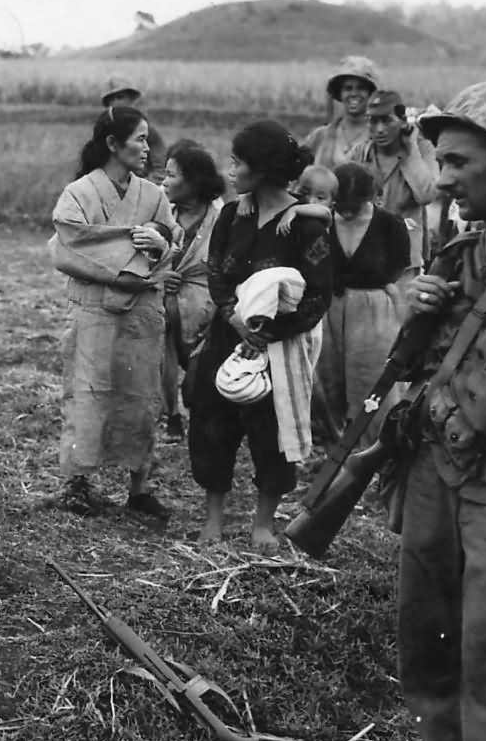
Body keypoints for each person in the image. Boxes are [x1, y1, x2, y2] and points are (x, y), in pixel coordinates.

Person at [396, 81, 486, 741]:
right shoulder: (458, 252)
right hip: (440, 463)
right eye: (440, 160)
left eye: (459, 161)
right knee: (427, 632)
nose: (444, 178)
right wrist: (420, 310)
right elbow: (414, 368)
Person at [186, 121, 333, 549]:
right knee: (212, 424)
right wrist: (234, 318)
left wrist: (269, 333)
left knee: (271, 432)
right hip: (227, 336)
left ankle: (262, 523)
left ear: (263, 169)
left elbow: (319, 293)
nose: (229, 170)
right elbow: (215, 270)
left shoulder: (306, 223)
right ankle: (213, 518)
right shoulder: (233, 214)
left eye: (238, 162)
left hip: (279, 346)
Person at [49, 106, 177, 519]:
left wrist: (159, 248)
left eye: (146, 138)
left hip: (142, 312)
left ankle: (139, 487)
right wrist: (126, 256)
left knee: (141, 398)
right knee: (87, 393)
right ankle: (77, 484)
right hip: (94, 310)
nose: (146, 147)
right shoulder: (79, 194)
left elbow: (172, 247)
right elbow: (69, 247)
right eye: (139, 138)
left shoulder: (154, 195)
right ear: (112, 144)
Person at [314, 163, 411, 448]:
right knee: (328, 382)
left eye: (353, 205)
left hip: (374, 310)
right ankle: (334, 448)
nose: (346, 211)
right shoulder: (321, 222)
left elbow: (401, 268)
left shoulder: (389, 224)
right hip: (329, 309)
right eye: (340, 204)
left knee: (371, 384)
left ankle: (373, 449)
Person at [158, 141, 226, 441]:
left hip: (205, 304)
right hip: (161, 304)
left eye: (172, 175)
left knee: (201, 370)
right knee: (161, 358)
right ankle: (170, 416)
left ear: (194, 181)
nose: (164, 181)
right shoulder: (159, 208)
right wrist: (160, 276)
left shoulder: (221, 217)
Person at [349, 89, 439, 274]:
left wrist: (410, 150)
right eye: (373, 121)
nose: (380, 129)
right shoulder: (360, 153)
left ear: (403, 122)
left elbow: (426, 195)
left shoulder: (422, 150)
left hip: (405, 260)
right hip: (365, 254)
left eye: (387, 120)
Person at [304, 55, 379, 168]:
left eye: (361, 88)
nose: (354, 93)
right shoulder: (319, 137)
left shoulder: (380, 138)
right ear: (340, 93)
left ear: (370, 93)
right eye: (348, 88)